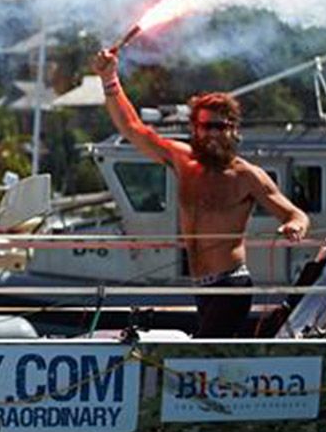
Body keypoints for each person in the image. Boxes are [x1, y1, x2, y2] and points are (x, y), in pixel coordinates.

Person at [93, 48, 309, 338]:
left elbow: (295, 214)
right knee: (210, 358)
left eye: (219, 126)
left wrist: (294, 225)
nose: (211, 134)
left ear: (232, 129)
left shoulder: (245, 175)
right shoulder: (184, 161)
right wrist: (110, 78)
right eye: (204, 126)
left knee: (202, 351)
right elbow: (133, 128)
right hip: (201, 287)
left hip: (231, 286)